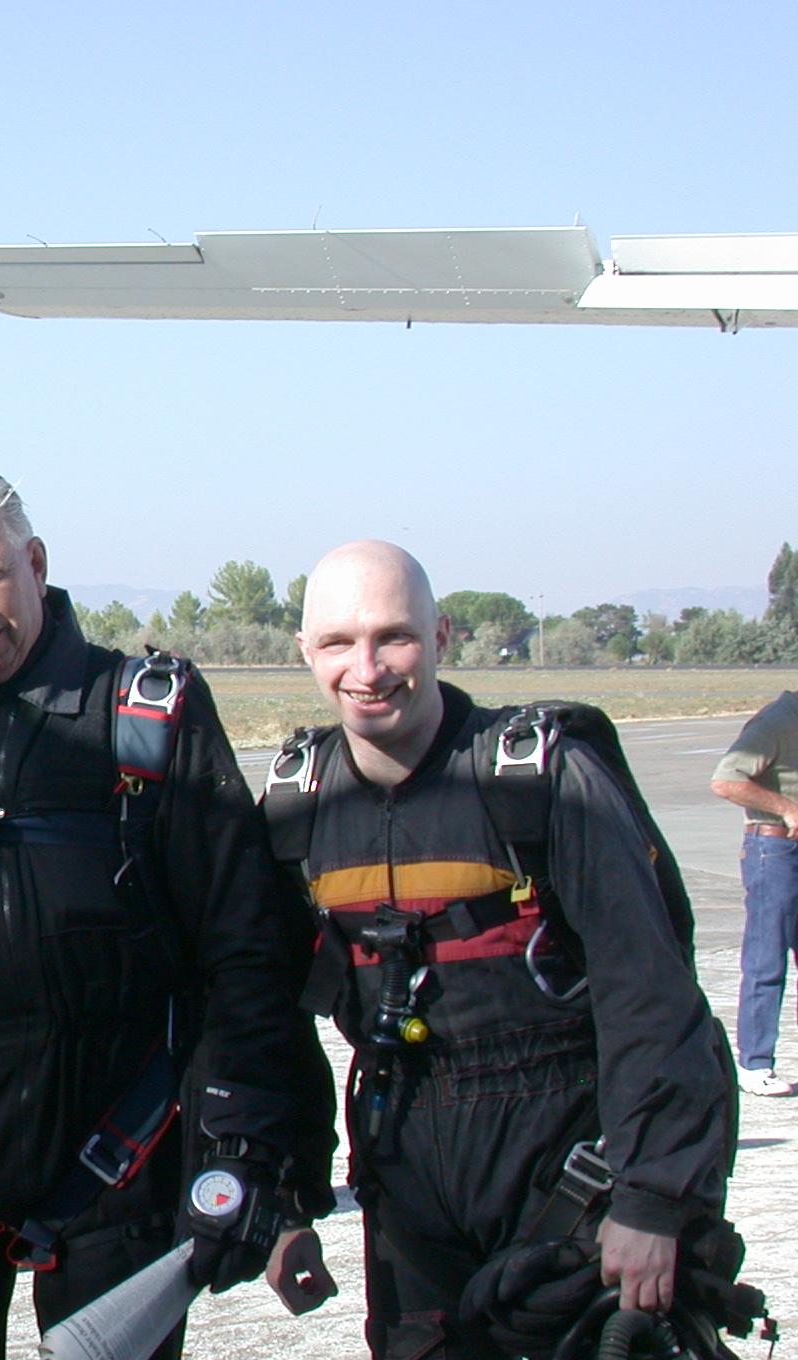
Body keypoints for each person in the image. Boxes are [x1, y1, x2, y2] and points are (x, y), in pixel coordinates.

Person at [0, 465, 335, 1360]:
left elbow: (246, 950)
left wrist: (252, 1152)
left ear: (35, 563)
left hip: (120, 1161)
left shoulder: (146, 717)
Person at [281, 540, 733, 1358]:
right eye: (340, 642)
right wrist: (281, 1198)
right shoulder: (298, 808)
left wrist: (654, 1199)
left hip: (571, 1172)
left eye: (394, 636)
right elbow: (257, 1014)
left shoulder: (542, 779)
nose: (367, 669)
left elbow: (652, 997)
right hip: (408, 1180)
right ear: (305, 650)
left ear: (441, 636)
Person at [711, 690, 798, 1097]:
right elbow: (726, 781)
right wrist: (786, 807)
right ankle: (755, 1064)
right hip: (775, 849)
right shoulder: (778, 720)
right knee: (767, 957)